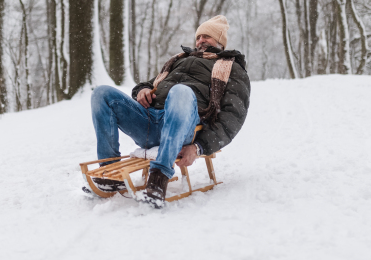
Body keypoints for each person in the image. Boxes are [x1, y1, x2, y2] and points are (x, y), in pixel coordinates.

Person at [90, 15, 251, 208]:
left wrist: (199, 147)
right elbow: (150, 83)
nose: (201, 41)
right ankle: (109, 174)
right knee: (102, 94)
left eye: (207, 36)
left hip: (185, 128)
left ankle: (159, 177)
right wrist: (141, 90)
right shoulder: (178, 61)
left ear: (220, 41)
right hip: (149, 122)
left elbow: (232, 118)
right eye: (199, 37)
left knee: (181, 91)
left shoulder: (231, 68)